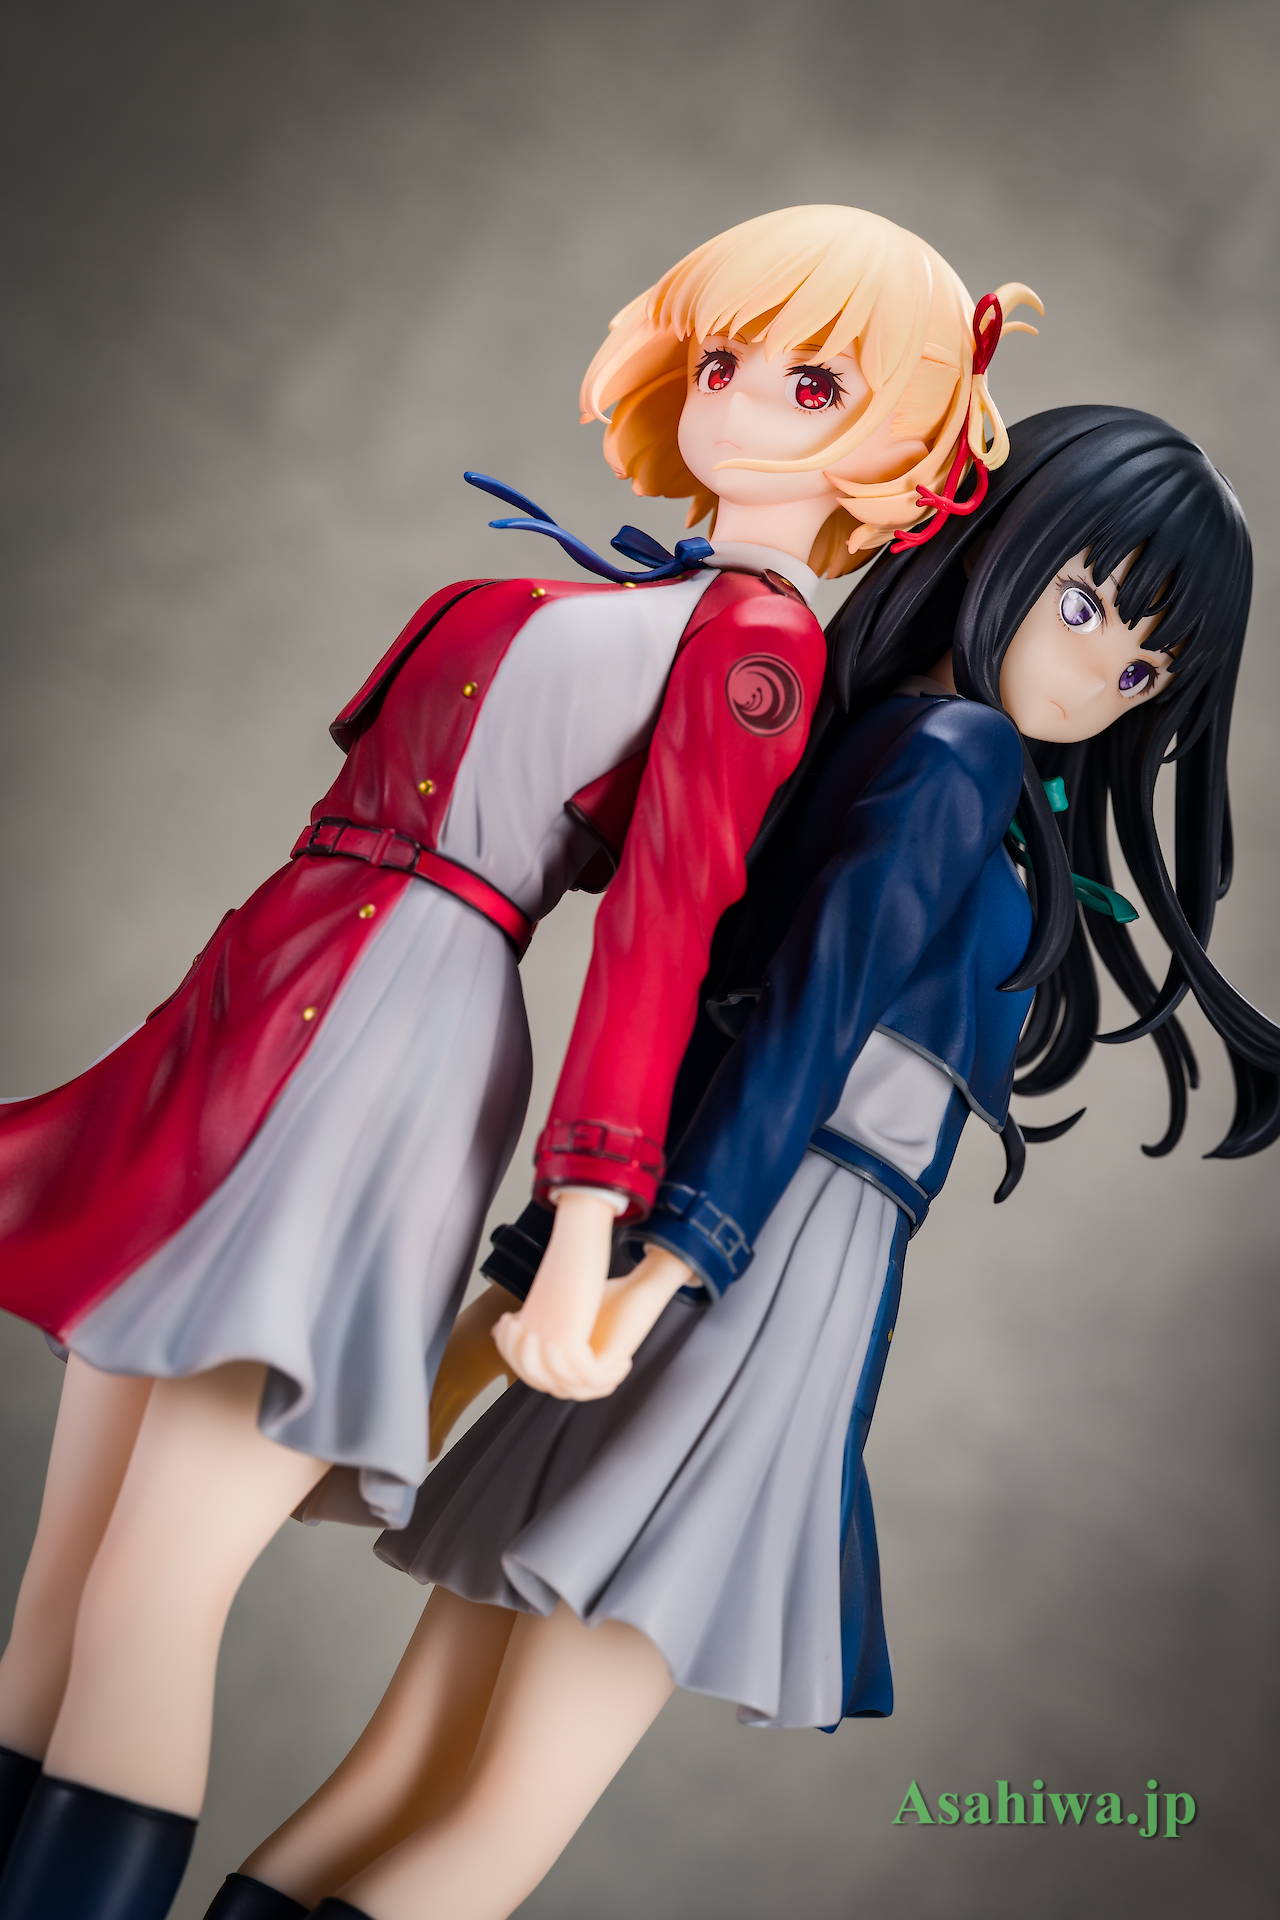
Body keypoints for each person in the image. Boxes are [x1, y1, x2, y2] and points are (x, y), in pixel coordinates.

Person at [0, 206, 1035, 1920]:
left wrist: (584, 1231)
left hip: (378, 1065)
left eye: (816, 383)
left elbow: (661, 938)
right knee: (62, 1593)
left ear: (910, 453)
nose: (741, 401)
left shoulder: (757, 651)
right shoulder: (654, 601)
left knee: (147, 1599)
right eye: (725, 358)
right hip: (262, 1009)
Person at [208, 407, 1277, 1920]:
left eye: (1144, 670)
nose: (1098, 675)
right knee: (496, 1820)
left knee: (403, 1772)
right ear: (1000, 542)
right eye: (1089, 606)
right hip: (762, 1282)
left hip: (690, 1250)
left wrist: (545, 1293)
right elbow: (805, 1034)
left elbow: (706, 1038)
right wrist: (670, 1278)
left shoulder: (865, 739)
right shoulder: (960, 754)